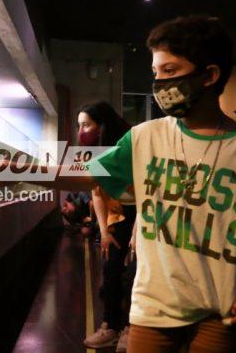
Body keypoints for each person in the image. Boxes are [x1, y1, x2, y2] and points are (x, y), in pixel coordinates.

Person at [0, 16, 236, 353]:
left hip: (220, 311)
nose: (160, 83)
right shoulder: (144, 137)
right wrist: (21, 169)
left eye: (170, 71)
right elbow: (89, 176)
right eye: (155, 73)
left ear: (209, 75)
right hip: (152, 309)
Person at [76, 102, 137, 352]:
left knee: (136, 273)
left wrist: (137, 232)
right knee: (110, 267)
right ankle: (110, 326)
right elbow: (97, 193)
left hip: (142, 210)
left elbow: (147, 190)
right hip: (116, 214)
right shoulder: (89, 153)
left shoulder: (127, 146)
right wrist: (103, 231)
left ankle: (131, 328)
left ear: (102, 125)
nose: (81, 131)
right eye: (78, 125)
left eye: (86, 124)